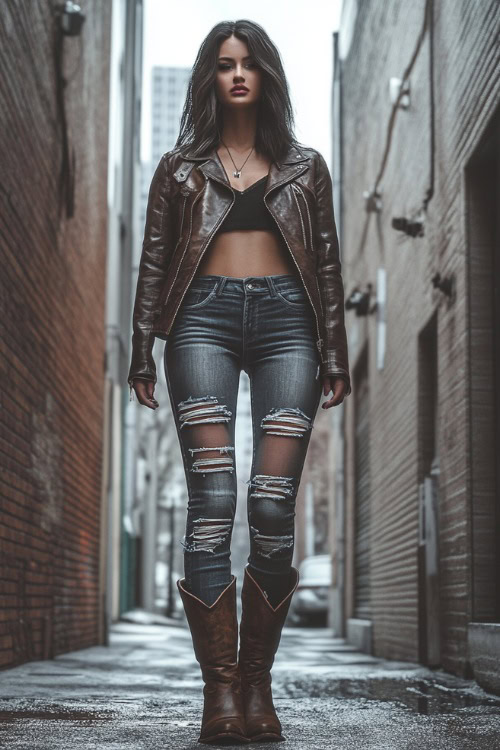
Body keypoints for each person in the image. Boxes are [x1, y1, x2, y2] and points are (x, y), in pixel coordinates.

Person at [128, 19, 351, 746]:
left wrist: (337, 352)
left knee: (272, 500)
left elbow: (327, 266)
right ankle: (220, 692)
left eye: (250, 62)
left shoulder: (305, 167)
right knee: (214, 499)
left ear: (269, 75)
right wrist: (140, 349)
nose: (238, 74)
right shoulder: (179, 168)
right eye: (224, 64)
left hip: (289, 322)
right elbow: (155, 261)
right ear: (209, 78)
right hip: (201, 323)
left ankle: (258, 682)